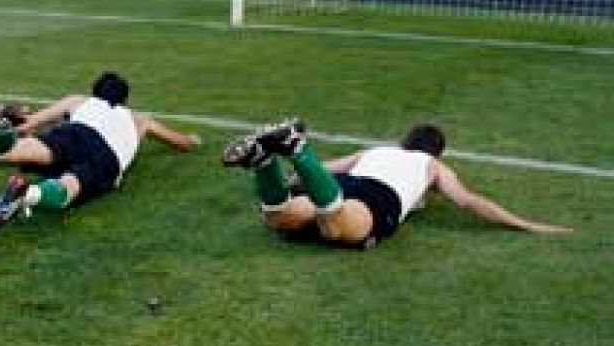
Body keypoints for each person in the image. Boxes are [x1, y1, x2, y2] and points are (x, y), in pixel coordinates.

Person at [222, 118, 572, 247]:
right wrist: (527, 224)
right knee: (336, 230)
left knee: (279, 218)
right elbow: (469, 202)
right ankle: (296, 147)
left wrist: (290, 176)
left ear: (404, 142)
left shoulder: (375, 150)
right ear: (438, 152)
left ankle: (264, 162)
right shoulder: (432, 166)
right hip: (377, 199)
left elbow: (325, 170)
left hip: (348, 181)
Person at [0, 71, 203, 236]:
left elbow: (28, 124)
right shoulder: (140, 120)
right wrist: (193, 140)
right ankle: (27, 193)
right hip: (107, 156)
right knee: (66, 189)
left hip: (74, 133)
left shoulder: (79, 101)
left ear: (95, 92)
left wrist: (18, 121)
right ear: (125, 99)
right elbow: (181, 143)